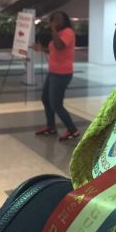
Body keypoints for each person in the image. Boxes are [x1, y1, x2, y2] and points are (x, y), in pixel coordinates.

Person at [34, 11, 79, 141]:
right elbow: (53, 49)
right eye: (54, 19)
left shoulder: (68, 33)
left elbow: (59, 46)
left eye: (59, 19)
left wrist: (53, 29)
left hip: (62, 74)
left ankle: (73, 130)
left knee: (56, 104)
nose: (56, 22)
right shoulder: (58, 34)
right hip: (53, 72)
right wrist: (41, 48)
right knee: (45, 99)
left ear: (65, 21)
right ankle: (51, 127)